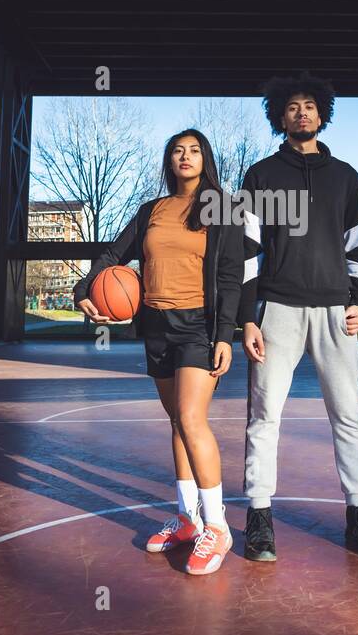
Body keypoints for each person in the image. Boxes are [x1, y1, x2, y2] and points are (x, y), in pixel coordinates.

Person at [238, 72, 358, 561]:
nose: (302, 112)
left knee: (348, 416)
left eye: (310, 105)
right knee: (264, 417)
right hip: (278, 310)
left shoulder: (345, 176)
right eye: (292, 106)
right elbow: (247, 251)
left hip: (333, 312)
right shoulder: (260, 175)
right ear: (279, 116)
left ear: (322, 114)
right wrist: (246, 317)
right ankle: (259, 518)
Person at [73, 129, 244, 575]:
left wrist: (225, 333)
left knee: (191, 418)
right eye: (176, 151)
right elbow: (111, 255)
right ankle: (187, 520)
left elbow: (230, 277)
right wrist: (81, 289)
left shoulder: (221, 209)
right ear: (168, 161)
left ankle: (218, 527)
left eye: (193, 151)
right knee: (175, 421)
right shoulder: (151, 210)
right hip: (156, 325)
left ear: (205, 159)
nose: (184, 157)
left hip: (199, 326)